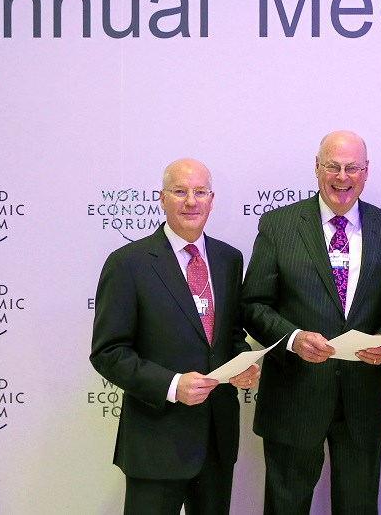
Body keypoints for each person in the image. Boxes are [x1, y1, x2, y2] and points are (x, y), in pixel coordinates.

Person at [241, 130, 381, 515]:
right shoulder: (278, 226)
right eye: (332, 166)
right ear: (316, 169)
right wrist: (294, 338)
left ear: (366, 172)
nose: (342, 177)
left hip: (361, 398)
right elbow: (253, 304)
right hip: (294, 397)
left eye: (352, 168)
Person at [90, 158, 259, 515]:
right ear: (162, 198)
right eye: (179, 192)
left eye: (200, 192)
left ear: (212, 199)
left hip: (217, 438)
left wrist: (240, 364)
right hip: (156, 440)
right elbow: (108, 352)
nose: (191, 201)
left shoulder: (230, 259)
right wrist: (172, 385)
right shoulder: (128, 264)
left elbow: (228, 334)